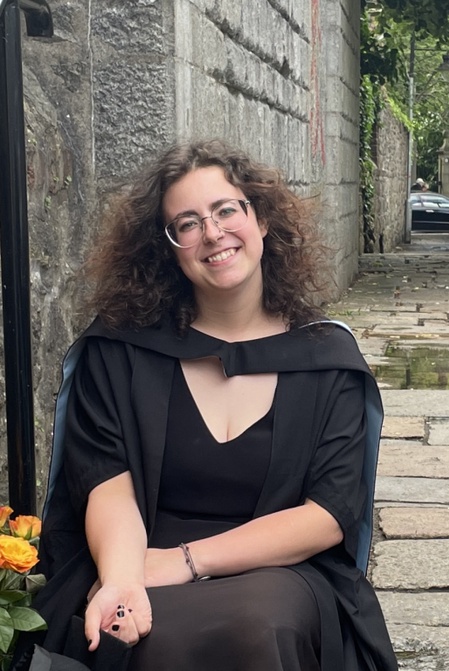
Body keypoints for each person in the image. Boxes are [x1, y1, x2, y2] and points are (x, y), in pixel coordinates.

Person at [19, 140, 398, 671]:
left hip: (277, 568)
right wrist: (124, 579)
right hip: (136, 556)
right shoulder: (121, 353)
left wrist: (185, 562)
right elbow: (106, 485)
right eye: (188, 223)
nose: (213, 234)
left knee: (258, 624)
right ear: (168, 247)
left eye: (226, 210)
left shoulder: (327, 360)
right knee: (135, 636)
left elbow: (327, 516)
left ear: (260, 218)